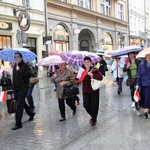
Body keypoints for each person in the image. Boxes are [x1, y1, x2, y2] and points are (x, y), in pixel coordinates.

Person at [11, 52, 35, 130]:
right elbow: (14, 78)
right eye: (15, 57)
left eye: (18, 57)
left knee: (19, 105)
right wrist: (13, 88)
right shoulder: (15, 66)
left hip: (23, 88)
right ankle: (31, 113)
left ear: (21, 58)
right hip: (16, 88)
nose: (16, 58)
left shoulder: (25, 66)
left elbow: (28, 75)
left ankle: (18, 123)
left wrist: (20, 70)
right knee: (22, 103)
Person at [82, 56, 103, 126]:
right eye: (85, 62)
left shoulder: (94, 69)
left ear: (90, 62)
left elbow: (100, 77)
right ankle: (93, 116)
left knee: (94, 105)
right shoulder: (82, 70)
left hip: (94, 90)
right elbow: (77, 79)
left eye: (88, 62)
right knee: (86, 105)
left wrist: (92, 75)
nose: (86, 64)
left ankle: (94, 120)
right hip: (85, 90)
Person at [136, 53, 150, 118]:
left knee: (148, 96)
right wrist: (137, 84)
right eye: (147, 56)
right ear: (145, 56)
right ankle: (146, 108)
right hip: (143, 83)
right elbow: (139, 75)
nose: (148, 57)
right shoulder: (141, 65)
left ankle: (146, 110)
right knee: (144, 96)